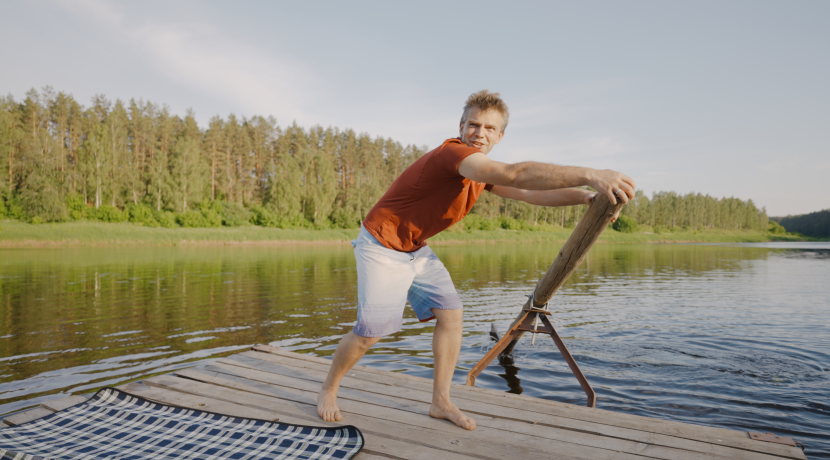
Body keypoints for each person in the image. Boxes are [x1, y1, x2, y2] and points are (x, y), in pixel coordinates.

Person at [317, 90, 636, 430]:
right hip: (382, 244)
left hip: (414, 247)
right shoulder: (453, 154)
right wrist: (591, 174)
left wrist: (585, 196)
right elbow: (515, 174)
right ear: (461, 126)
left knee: (452, 315)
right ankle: (328, 389)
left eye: (488, 128)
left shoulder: (480, 174)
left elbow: (528, 192)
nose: (479, 133)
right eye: (473, 125)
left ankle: (440, 402)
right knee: (370, 334)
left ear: (500, 135)